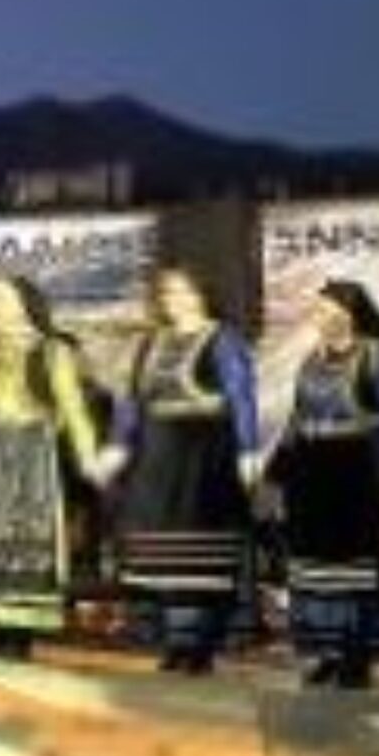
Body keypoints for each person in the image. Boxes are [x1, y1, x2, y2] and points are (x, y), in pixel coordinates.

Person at [107, 265, 260, 675]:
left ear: (203, 295)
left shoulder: (223, 339)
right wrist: (119, 444)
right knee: (163, 553)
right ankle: (176, 642)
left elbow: (241, 396)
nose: (176, 300)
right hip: (157, 455)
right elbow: (130, 401)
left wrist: (248, 451)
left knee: (200, 556)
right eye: (169, 292)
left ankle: (200, 646)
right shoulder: (150, 343)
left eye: (185, 291)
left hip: (203, 454)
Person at [0, 275, 101, 659]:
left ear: (24, 304)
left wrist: (89, 457)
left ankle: (19, 635)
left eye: (1, 298)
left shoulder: (51, 351)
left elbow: (73, 408)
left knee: (25, 546)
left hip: (30, 455)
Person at [271, 280, 379, 690]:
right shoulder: (311, 358)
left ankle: (356, 656)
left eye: (329, 308)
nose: (322, 316)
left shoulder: (374, 355)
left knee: (355, 565)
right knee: (315, 564)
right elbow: (296, 418)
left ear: (351, 313)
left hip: (355, 470)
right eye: (318, 309)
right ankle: (326, 652)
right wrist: (276, 473)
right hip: (311, 470)